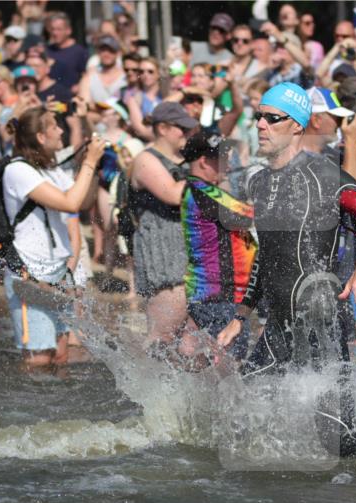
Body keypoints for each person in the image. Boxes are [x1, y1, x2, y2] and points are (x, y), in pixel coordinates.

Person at [215, 82, 356, 457]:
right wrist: (241, 315)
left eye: (272, 118)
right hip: (277, 327)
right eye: (259, 117)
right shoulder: (260, 181)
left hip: (320, 327)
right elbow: (266, 257)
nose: (261, 125)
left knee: (339, 444)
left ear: (297, 125)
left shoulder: (325, 177)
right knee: (238, 429)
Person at [2, 107, 106, 368]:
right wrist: (90, 161)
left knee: (60, 357)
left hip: (58, 272)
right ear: (40, 136)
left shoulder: (51, 170)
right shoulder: (17, 170)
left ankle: (57, 409)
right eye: (55, 126)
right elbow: (69, 203)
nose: (61, 130)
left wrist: (89, 165)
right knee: (38, 358)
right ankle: (25, 408)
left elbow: (84, 201)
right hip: (29, 272)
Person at [177, 130, 256, 363]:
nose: (229, 166)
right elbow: (248, 216)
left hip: (218, 293)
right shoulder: (201, 191)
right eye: (223, 159)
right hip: (219, 293)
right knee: (230, 364)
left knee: (205, 361)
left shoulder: (207, 190)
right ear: (204, 162)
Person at [129, 101, 197, 350]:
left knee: (190, 345)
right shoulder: (146, 160)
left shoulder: (186, 159)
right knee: (161, 338)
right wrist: (205, 174)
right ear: (163, 129)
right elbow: (172, 194)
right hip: (163, 252)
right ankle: (142, 388)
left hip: (190, 249)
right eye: (182, 128)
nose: (187, 134)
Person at [44, 12, 87, 91]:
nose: (55, 33)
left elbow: (86, 75)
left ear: (68, 30)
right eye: (53, 29)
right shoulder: (47, 51)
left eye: (59, 29)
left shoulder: (79, 52)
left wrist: (79, 86)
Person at [77, 35, 124, 105]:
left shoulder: (125, 76)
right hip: (94, 115)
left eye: (111, 50)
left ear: (117, 53)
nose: (106, 54)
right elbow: (83, 105)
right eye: (103, 50)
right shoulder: (89, 77)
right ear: (98, 52)